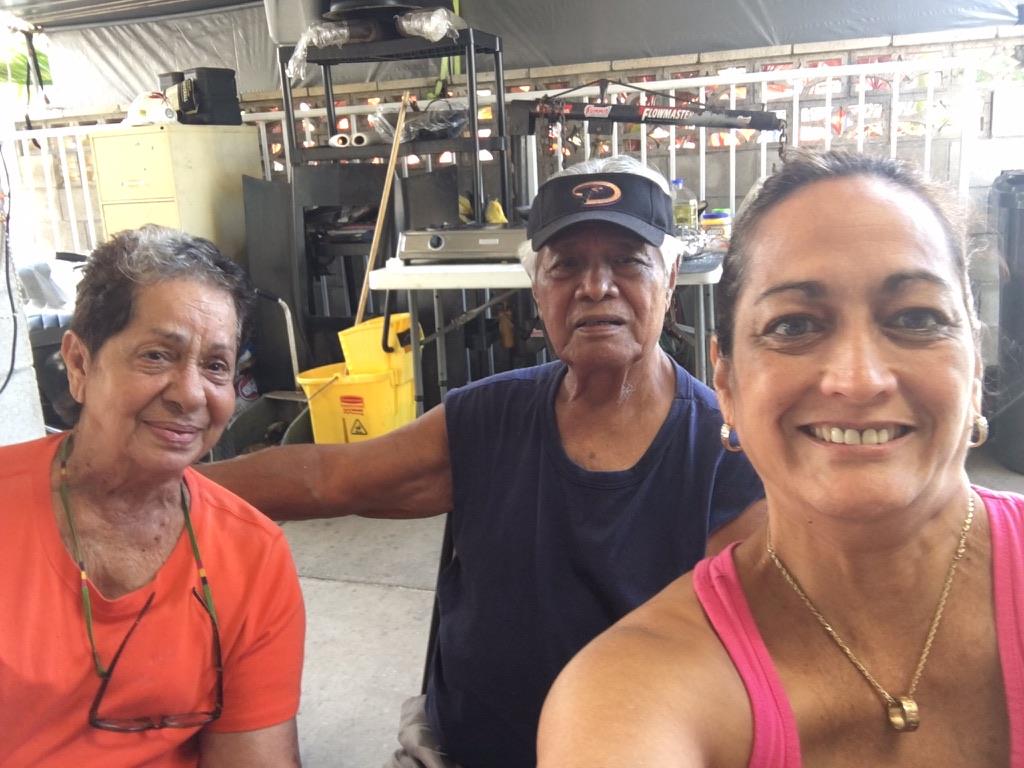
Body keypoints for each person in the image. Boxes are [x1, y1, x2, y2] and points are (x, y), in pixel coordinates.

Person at [202, 155, 764, 768]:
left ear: (672, 275)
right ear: (536, 286)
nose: (596, 286)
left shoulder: (724, 450)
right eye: (566, 264)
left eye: (628, 261)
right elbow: (328, 478)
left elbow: (746, 672)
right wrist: (161, 485)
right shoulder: (489, 418)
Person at [537, 149, 1023, 767]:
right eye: (794, 326)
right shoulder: (637, 683)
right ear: (728, 384)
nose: (858, 379)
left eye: (916, 318)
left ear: (975, 367)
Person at [0, 226, 305, 767]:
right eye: (157, 356)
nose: (191, 394)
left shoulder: (253, 558)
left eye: (216, 366)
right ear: (79, 364)